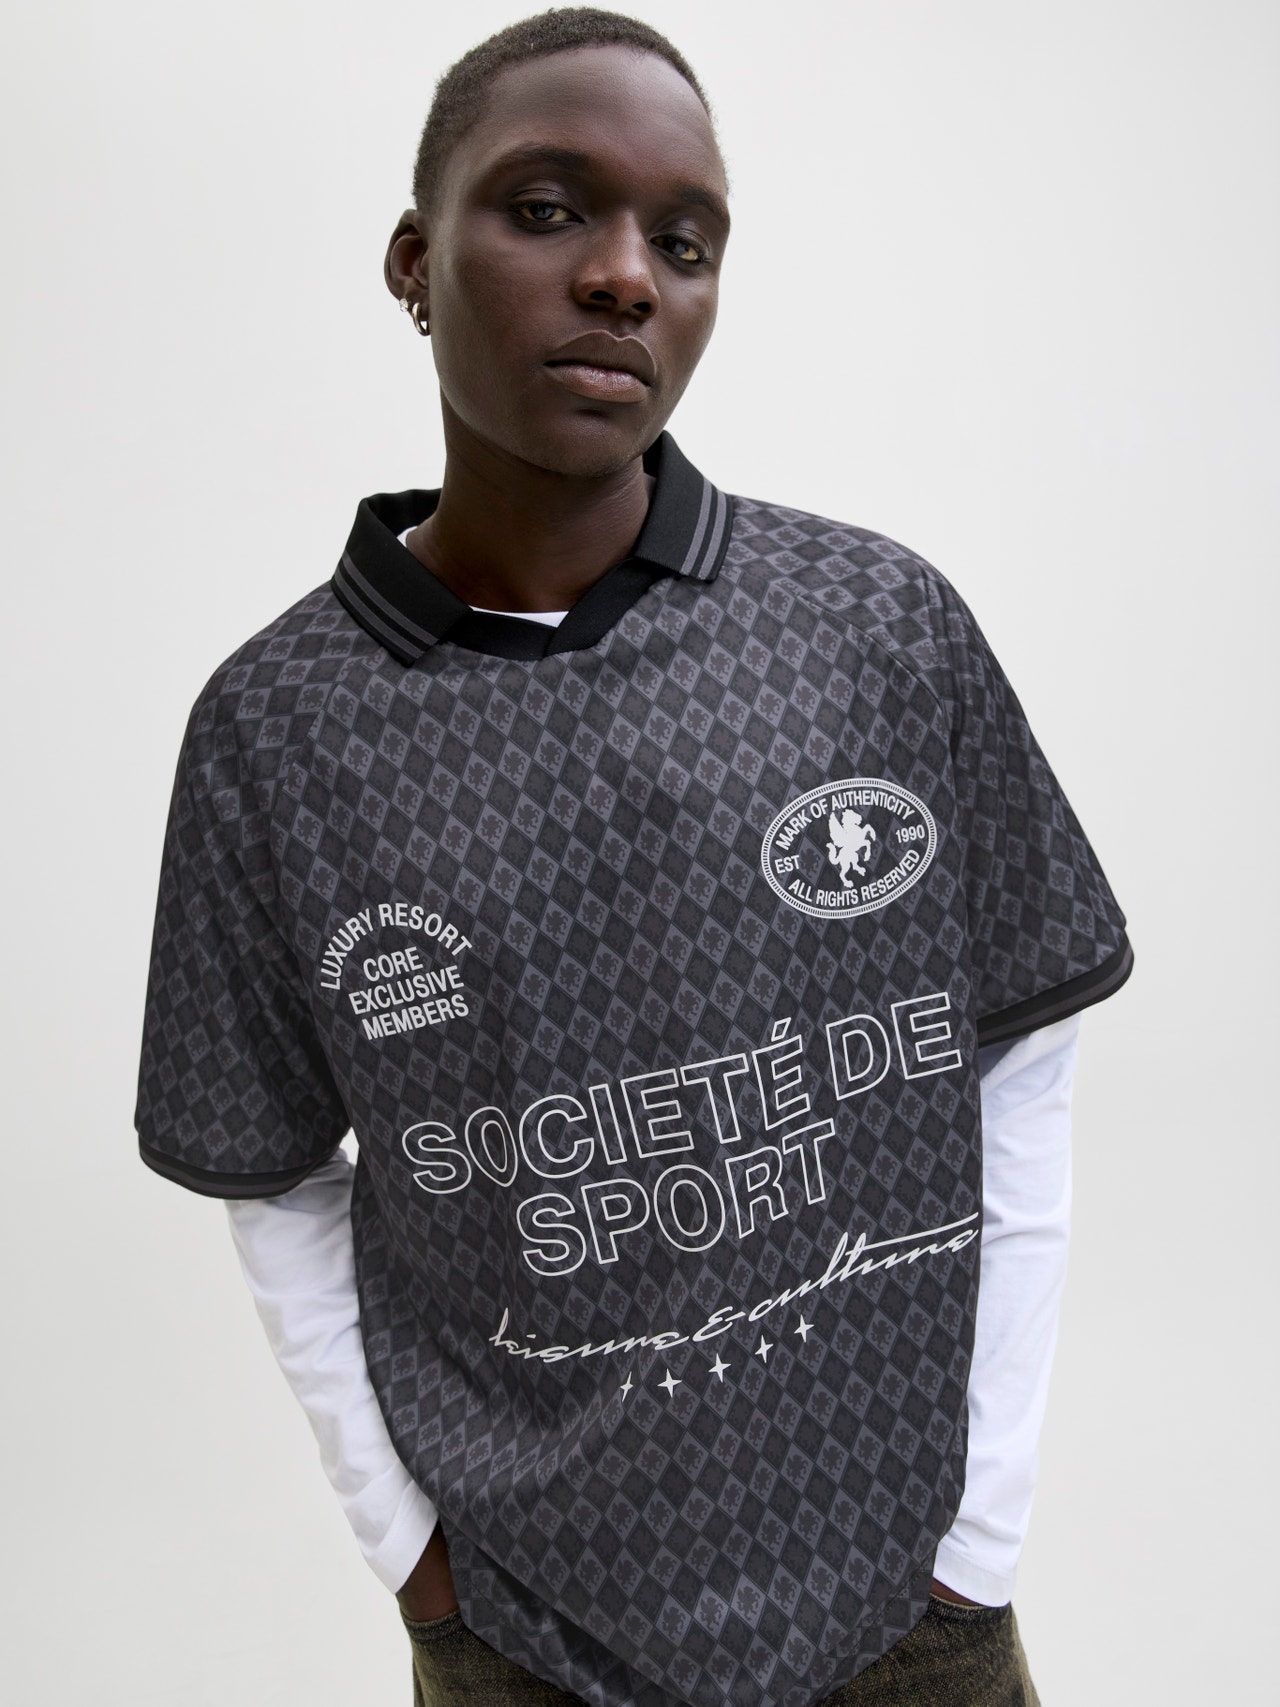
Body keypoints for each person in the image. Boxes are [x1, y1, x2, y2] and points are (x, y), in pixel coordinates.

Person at [134, 10, 1132, 1705]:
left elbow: (1019, 1054)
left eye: (683, 241)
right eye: (546, 210)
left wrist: (978, 1528)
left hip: (910, 1619)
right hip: (527, 1641)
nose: (621, 278)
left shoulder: (874, 625)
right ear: (414, 260)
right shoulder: (276, 733)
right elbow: (275, 1173)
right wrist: (415, 1555)